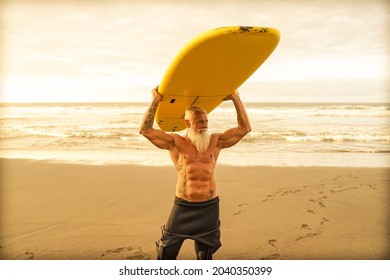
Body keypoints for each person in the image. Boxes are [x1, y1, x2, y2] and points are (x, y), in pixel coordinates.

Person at [139, 86, 251, 260]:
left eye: (206, 121)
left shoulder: (216, 141)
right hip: (183, 205)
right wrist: (155, 100)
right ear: (187, 123)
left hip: (209, 206)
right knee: (166, 252)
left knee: (204, 254)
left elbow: (244, 129)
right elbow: (145, 130)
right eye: (199, 121)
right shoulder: (175, 142)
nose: (204, 125)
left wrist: (236, 98)